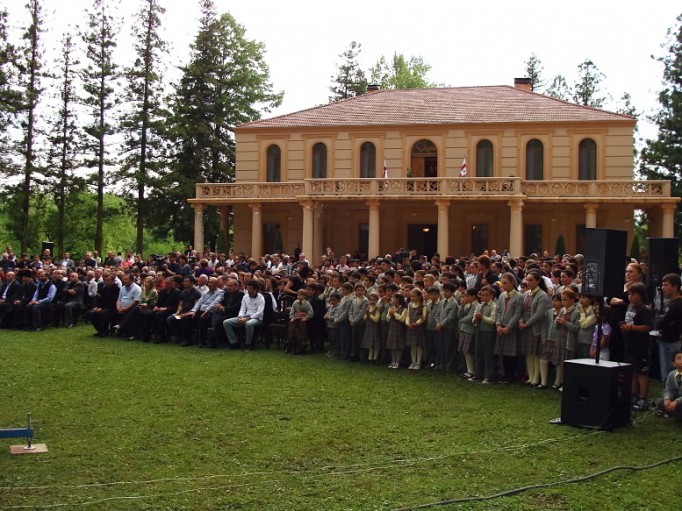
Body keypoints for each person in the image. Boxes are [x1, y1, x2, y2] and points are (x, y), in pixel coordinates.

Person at [621, 282, 653, 411]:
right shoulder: (630, 307)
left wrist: (631, 328)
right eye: (629, 294)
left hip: (641, 345)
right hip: (629, 343)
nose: (630, 297)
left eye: (633, 294)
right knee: (632, 370)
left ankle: (643, 398)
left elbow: (648, 327)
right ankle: (633, 394)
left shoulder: (644, 309)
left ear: (640, 295)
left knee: (641, 371)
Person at [517, 270, 550, 387]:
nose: (528, 282)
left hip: (535, 327)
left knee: (536, 353)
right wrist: (521, 321)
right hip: (525, 327)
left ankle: (536, 378)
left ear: (538, 281)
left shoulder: (542, 295)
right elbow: (520, 310)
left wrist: (527, 323)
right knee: (528, 353)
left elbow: (539, 314)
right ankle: (530, 376)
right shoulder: (525, 294)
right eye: (527, 280)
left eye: (531, 280)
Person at [494, 272, 523, 383]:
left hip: (511, 328)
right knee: (503, 353)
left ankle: (511, 375)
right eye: (502, 283)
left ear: (512, 283)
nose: (503, 285)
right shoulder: (502, 295)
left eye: (505, 283)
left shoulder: (518, 296)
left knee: (511, 353)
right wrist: (498, 324)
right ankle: (504, 374)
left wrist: (509, 327)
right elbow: (498, 311)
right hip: (501, 326)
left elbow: (517, 313)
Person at [223, 280, 265, 350]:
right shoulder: (245, 297)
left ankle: (248, 344)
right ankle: (234, 342)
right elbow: (242, 309)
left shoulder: (261, 298)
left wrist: (247, 318)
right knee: (226, 322)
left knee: (248, 324)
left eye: (250, 288)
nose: (248, 290)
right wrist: (240, 317)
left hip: (257, 318)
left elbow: (259, 312)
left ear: (255, 289)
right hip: (245, 316)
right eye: (247, 288)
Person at [655, 273, 682, 381]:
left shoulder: (677, 304)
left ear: (675, 287)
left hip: (671, 342)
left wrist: (662, 320)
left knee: (669, 374)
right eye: (662, 285)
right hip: (665, 340)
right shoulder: (671, 303)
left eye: (666, 285)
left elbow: (662, 322)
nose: (663, 288)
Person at [472, 286, 497, 383]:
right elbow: (473, 320)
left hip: (489, 332)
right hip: (479, 331)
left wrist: (482, 317)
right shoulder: (479, 306)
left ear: (491, 295)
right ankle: (478, 373)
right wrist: (475, 319)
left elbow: (493, 320)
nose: (484, 297)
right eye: (482, 295)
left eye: (487, 295)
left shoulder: (493, 306)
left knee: (488, 354)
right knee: (478, 353)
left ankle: (489, 375)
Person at [655, 351, 682, 421]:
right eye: (679, 358)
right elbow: (668, 389)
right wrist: (667, 398)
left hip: (679, 401)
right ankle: (672, 413)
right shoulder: (672, 374)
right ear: (674, 364)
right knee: (660, 402)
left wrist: (676, 402)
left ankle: (673, 414)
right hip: (678, 398)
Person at [405, 288, 428, 370]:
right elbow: (408, 315)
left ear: (419, 297)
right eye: (411, 297)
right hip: (411, 327)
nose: (412, 298)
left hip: (418, 328)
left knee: (418, 346)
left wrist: (417, 323)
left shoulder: (423, 306)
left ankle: (418, 362)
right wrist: (407, 323)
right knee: (412, 346)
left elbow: (423, 317)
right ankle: (413, 362)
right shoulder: (410, 305)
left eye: (414, 296)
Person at [457, 288, 478, 378]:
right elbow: (459, 315)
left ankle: (472, 370)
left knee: (469, 351)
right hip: (464, 330)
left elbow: (470, 318)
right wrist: (462, 306)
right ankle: (469, 370)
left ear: (473, 296)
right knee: (464, 351)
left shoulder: (476, 305)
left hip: (470, 331)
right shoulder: (467, 305)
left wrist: (461, 320)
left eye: (467, 296)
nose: (465, 298)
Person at [286, 289, 313, 354]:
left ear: (304, 296)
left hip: (303, 320)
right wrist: (292, 317)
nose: (298, 296)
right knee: (292, 325)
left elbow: (311, 313)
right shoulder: (295, 303)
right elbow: (292, 311)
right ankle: (290, 345)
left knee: (301, 328)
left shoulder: (307, 304)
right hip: (296, 319)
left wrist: (306, 318)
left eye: (300, 295)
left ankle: (301, 347)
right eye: (298, 295)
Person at [385, 293, 407, 369]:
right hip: (392, 329)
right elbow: (387, 318)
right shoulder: (391, 308)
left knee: (399, 346)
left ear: (398, 300)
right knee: (393, 346)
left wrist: (394, 313)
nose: (391, 300)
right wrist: (390, 314)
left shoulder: (404, 309)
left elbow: (402, 319)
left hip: (400, 329)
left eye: (393, 298)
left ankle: (397, 361)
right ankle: (393, 361)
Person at [361, 292, 382, 362]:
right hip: (369, 327)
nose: (372, 301)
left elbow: (376, 319)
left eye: (374, 300)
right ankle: (370, 357)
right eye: (371, 300)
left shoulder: (377, 308)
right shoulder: (368, 307)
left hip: (375, 328)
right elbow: (364, 318)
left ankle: (375, 357)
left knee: (375, 343)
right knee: (370, 343)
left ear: (377, 300)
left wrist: (369, 315)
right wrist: (367, 315)